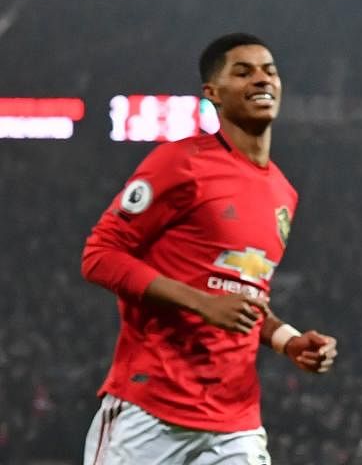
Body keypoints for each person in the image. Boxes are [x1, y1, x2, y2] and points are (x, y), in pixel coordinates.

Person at [80, 33, 337, 464]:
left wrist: (288, 340)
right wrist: (202, 303)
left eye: (269, 70)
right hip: (152, 410)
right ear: (212, 94)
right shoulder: (180, 163)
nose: (261, 79)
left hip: (236, 422)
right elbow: (99, 255)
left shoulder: (283, 192)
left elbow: (248, 294)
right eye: (243, 72)